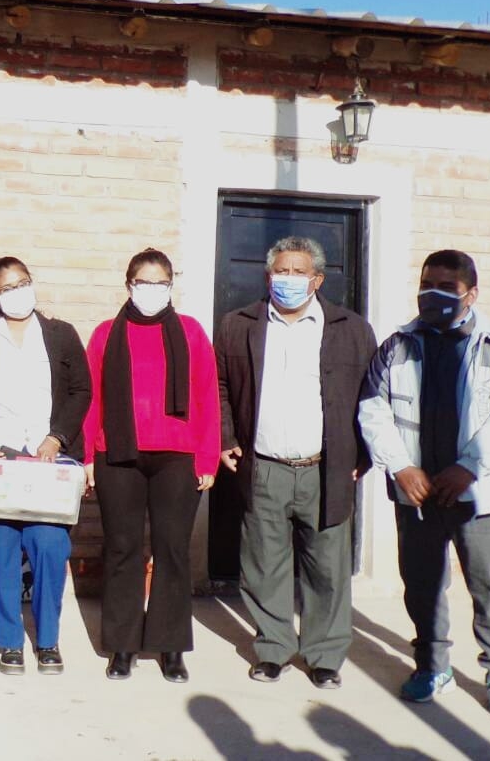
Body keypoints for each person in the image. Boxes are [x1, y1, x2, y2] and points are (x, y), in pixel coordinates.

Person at [358, 249, 490, 720]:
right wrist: (401, 466)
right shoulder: (397, 346)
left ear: (471, 294)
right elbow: (373, 409)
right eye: (426, 284)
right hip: (417, 490)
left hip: (480, 493)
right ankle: (432, 665)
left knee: (486, 585)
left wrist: (469, 467)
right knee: (421, 583)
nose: (432, 294)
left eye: (446, 287)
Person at [215, 236, 377, 690]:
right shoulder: (238, 325)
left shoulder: (351, 329)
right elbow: (220, 386)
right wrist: (225, 438)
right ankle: (273, 649)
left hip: (325, 468)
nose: (288, 279)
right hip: (264, 465)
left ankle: (324, 656)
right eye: (281, 271)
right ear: (268, 277)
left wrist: (363, 453)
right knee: (264, 565)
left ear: (317, 279)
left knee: (328, 568)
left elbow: (372, 395)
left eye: (298, 272)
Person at [83, 248, 221, 683]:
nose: (152, 289)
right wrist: (87, 456)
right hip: (117, 454)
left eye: (160, 282)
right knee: (122, 548)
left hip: (177, 457)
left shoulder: (191, 332)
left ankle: (170, 646)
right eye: (144, 282)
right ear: (129, 285)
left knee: (172, 550)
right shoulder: (106, 334)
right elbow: (92, 399)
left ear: (170, 286)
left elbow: (207, 398)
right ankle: (122, 645)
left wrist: (208, 457)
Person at [0, 257, 92, 675]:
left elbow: (81, 390)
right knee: (3, 552)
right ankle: (10, 643)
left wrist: (57, 437)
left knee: (49, 548)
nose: (19, 292)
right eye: (9, 287)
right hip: (0, 457)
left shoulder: (60, 334)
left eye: (24, 283)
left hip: (48, 459)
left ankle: (48, 641)